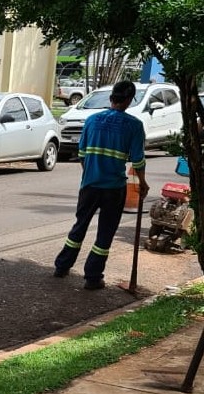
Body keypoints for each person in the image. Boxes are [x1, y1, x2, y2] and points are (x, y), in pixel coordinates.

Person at [54, 80, 149, 290]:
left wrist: (90, 174)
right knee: (105, 233)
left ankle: (62, 266)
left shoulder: (92, 121)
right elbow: (138, 161)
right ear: (129, 100)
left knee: (80, 226)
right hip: (114, 188)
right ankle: (93, 277)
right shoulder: (134, 126)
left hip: (89, 185)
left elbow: (81, 155)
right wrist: (142, 182)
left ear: (111, 97)